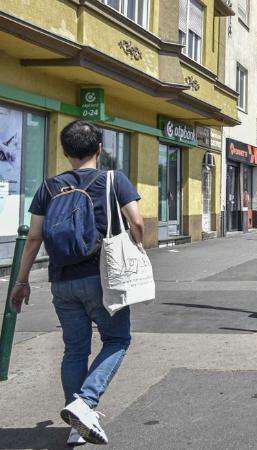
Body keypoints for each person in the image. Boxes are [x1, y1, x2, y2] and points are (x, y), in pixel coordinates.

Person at [10, 120, 144, 446]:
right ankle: (84, 403)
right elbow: (137, 221)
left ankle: (77, 424)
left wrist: (22, 281)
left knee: (74, 350)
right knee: (117, 339)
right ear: (99, 148)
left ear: (65, 151)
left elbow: (33, 239)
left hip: (62, 281)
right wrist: (137, 248)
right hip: (102, 279)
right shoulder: (114, 180)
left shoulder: (49, 187)